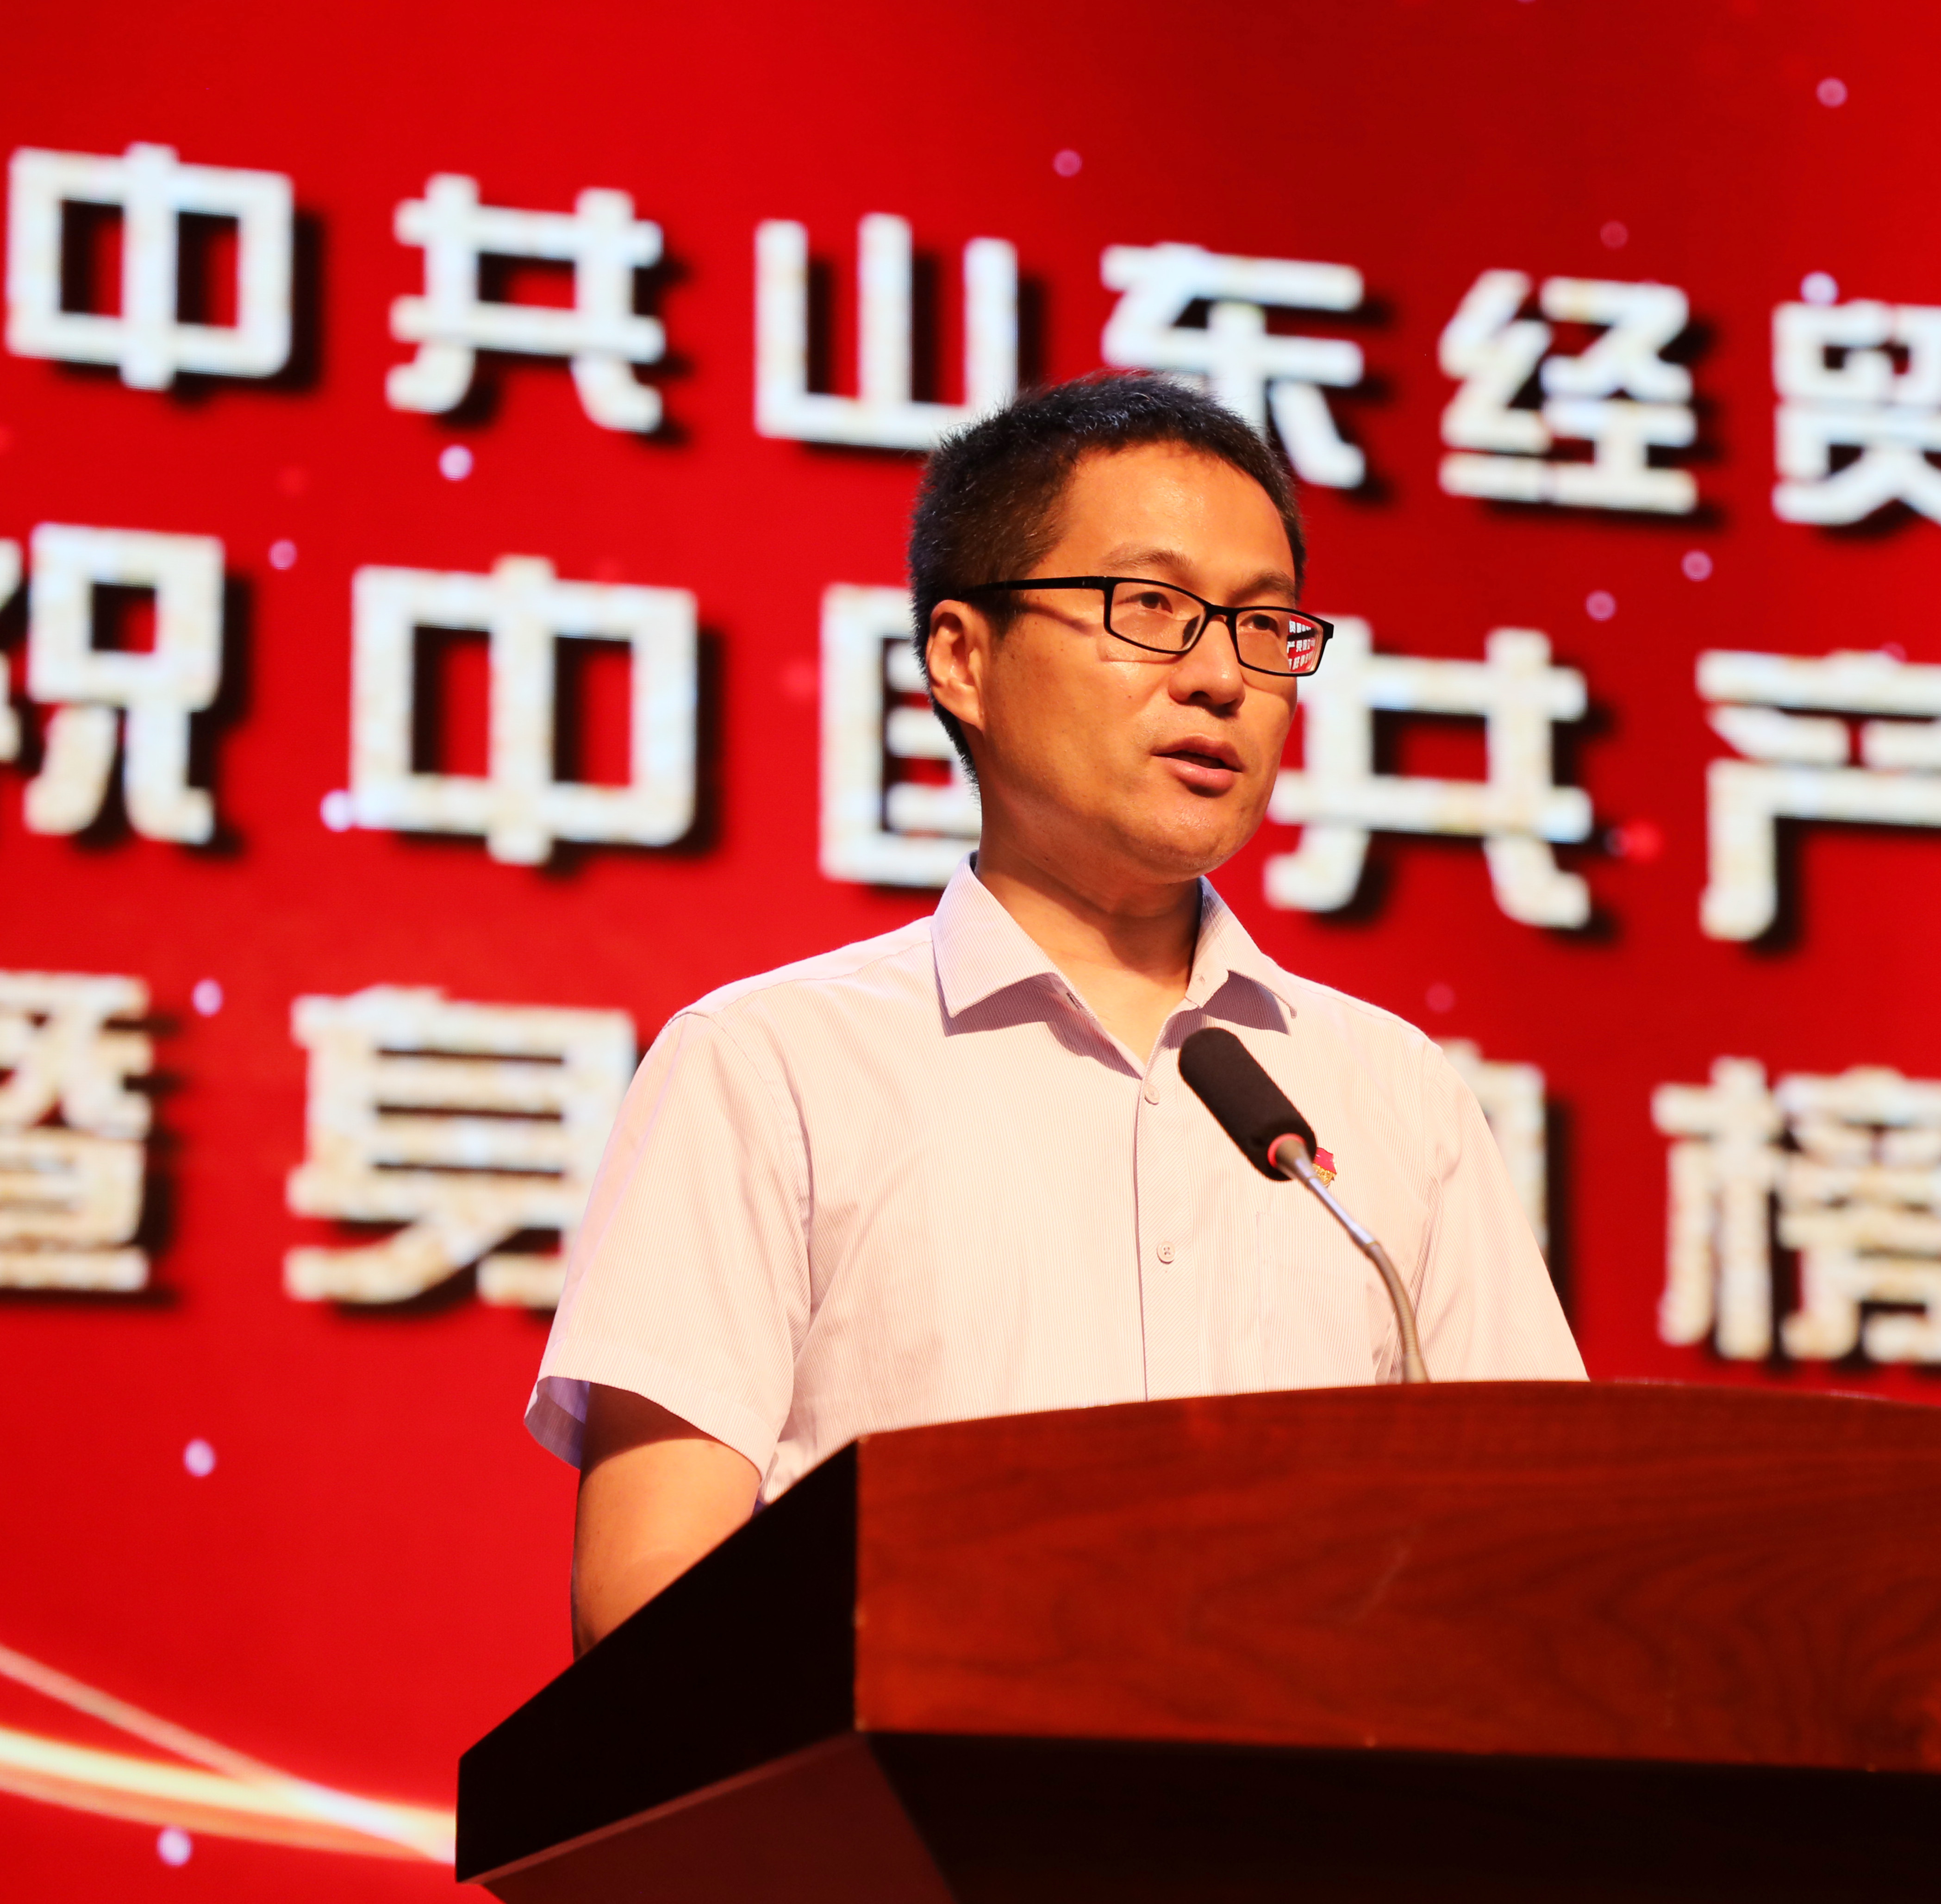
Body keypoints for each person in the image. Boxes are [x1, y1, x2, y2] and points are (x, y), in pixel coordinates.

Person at [534, 372, 1584, 1654]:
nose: (1221, 678)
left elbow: (1540, 1558)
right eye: (1151, 609)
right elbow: (648, 1598)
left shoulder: (1390, 1096)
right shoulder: (771, 1067)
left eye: (1264, 625)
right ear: (962, 659)